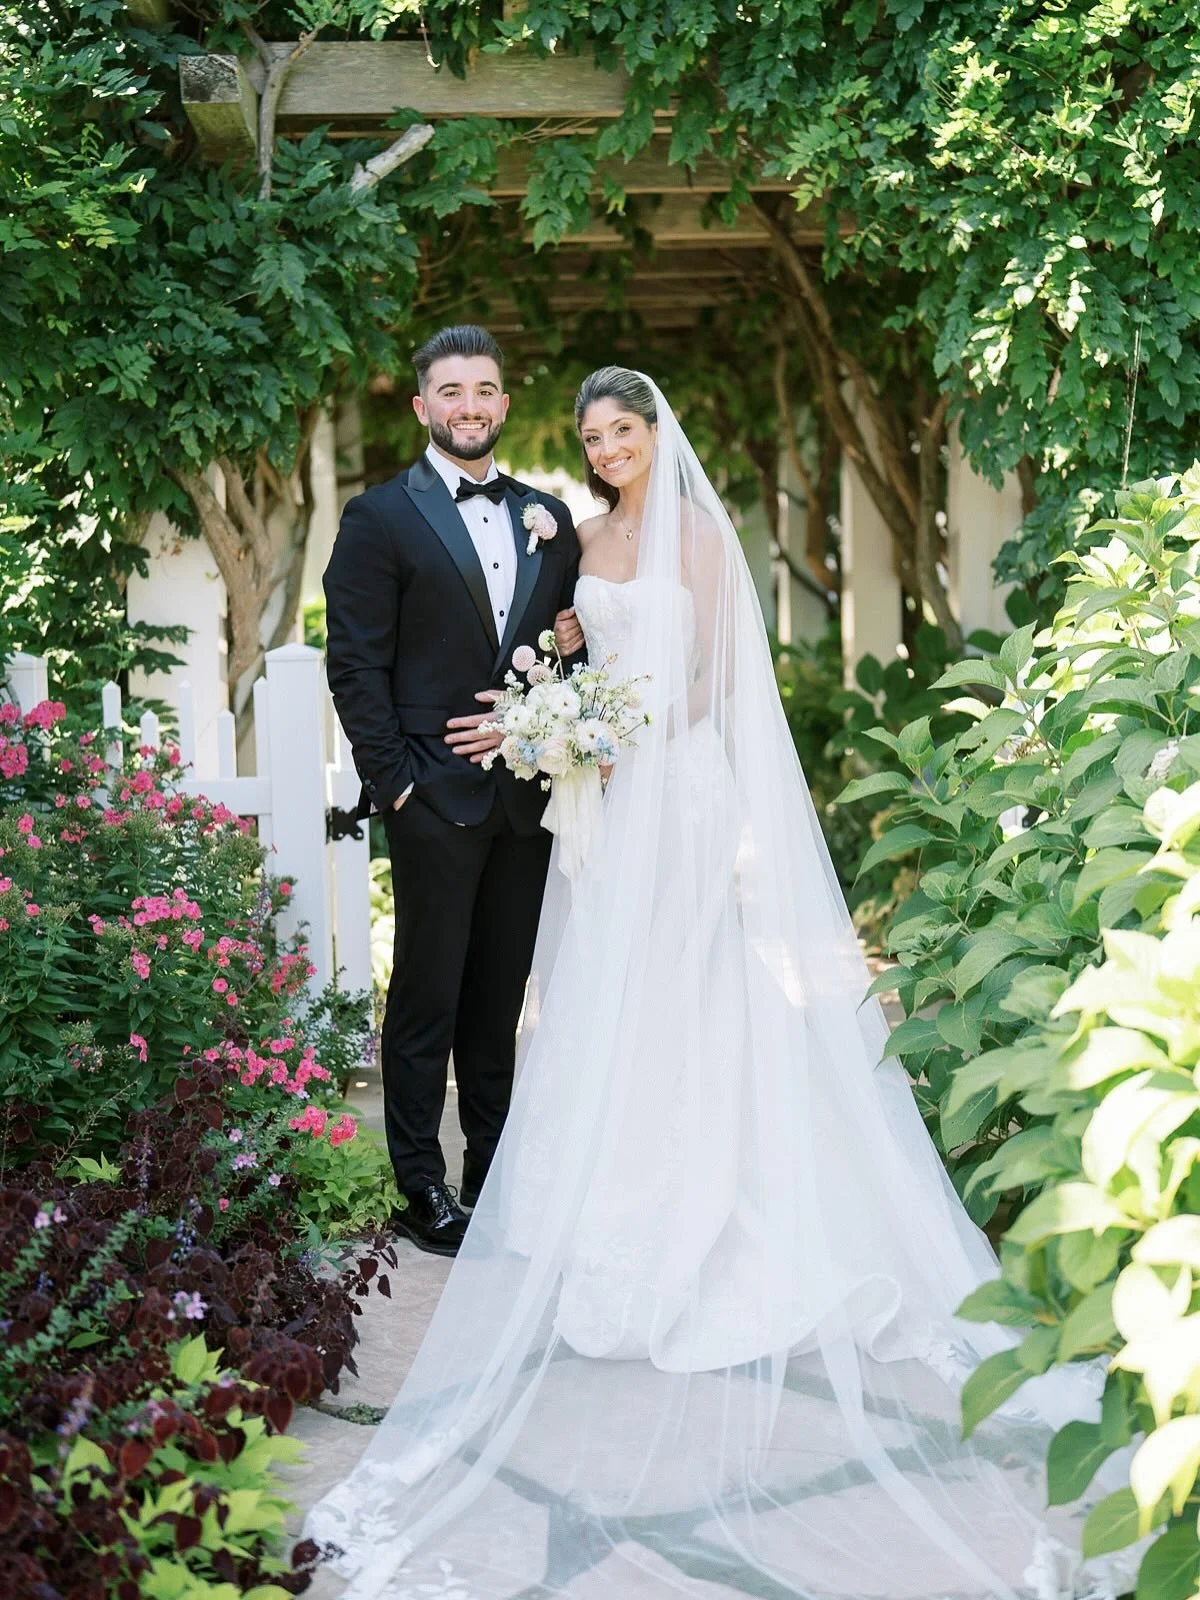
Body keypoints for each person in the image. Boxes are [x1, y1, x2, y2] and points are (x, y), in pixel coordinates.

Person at [306, 369, 1134, 1598]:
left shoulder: (697, 535)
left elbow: (711, 680)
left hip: (673, 790)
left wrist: (610, 724)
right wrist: (563, 706)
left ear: (655, 435)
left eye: (622, 430)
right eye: (591, 435)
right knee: (597, 1000)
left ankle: (708, 1218)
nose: (607, 447)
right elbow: (545, 641)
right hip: (597, 807)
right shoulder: (570, 536)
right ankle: (591, 1216)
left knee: (687, 992)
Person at [322, 325, 579, 1257]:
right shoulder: (380, 518)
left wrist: (542, 725)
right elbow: (354, 665)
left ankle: (492, 1176)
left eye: (485, 390)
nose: (470, 406)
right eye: (451, 391)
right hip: (431, 798)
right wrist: (397, 787)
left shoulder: (550, 517)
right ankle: (419, 1190)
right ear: (423, 406)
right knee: (426, 998)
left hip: (527, 801)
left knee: (499, 999)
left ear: (504, 404)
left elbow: (569, 652)